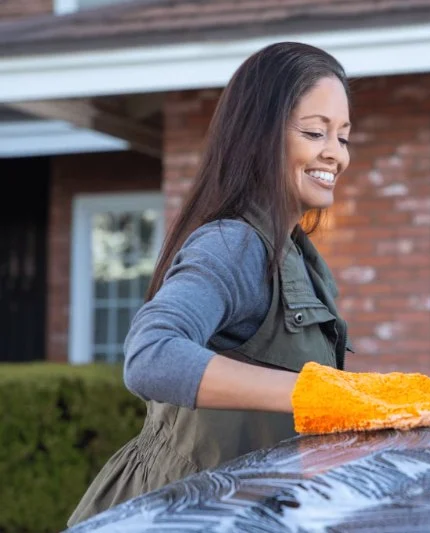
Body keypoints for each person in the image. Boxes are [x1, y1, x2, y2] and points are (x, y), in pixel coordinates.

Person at [67, 41, 356, 527]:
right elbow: (151, 356)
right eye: (314, 132)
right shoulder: (234, 244)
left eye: (344, 137)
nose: (336, 154)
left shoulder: (300, 257)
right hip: (170, 513)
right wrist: (315, 393)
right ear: (259, 136)